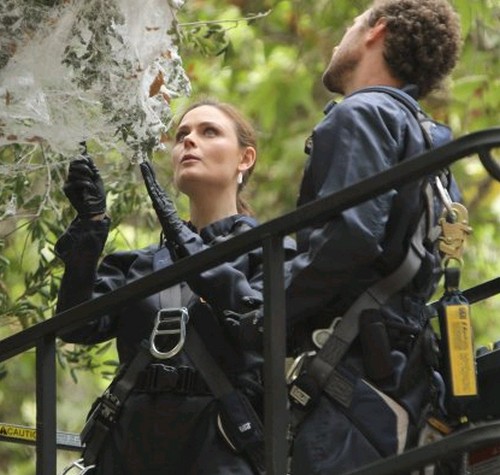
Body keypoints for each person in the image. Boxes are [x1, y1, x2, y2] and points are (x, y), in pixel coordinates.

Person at [55, 100, 296, 474]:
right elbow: (75, 325)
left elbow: (258, 324)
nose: (189, 141)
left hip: (221, 447)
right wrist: (91, 224)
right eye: (182, 135)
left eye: (209, 131)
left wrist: (184, 242)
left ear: (245, 158)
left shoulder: (271, 251)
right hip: (129, 448)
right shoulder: (139, 264)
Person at [281, 1, 463, 474]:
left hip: (352, 368)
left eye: (352, 23)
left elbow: (350, 238)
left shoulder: (361, 114)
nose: (342, 36)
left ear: (375, 31)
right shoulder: (430, 143)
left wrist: (266, 313)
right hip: (400, 369)